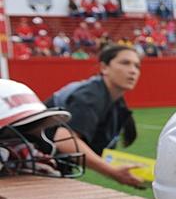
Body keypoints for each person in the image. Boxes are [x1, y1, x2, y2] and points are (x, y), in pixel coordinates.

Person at [44, 45, 144, 188]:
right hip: (29, 162)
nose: (133, 70)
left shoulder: (115, 101)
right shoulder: (90, 95)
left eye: (137, 66)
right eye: (125, 63)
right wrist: (112, 171)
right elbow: (64, 139)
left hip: (51, 164)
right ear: (104, 68)